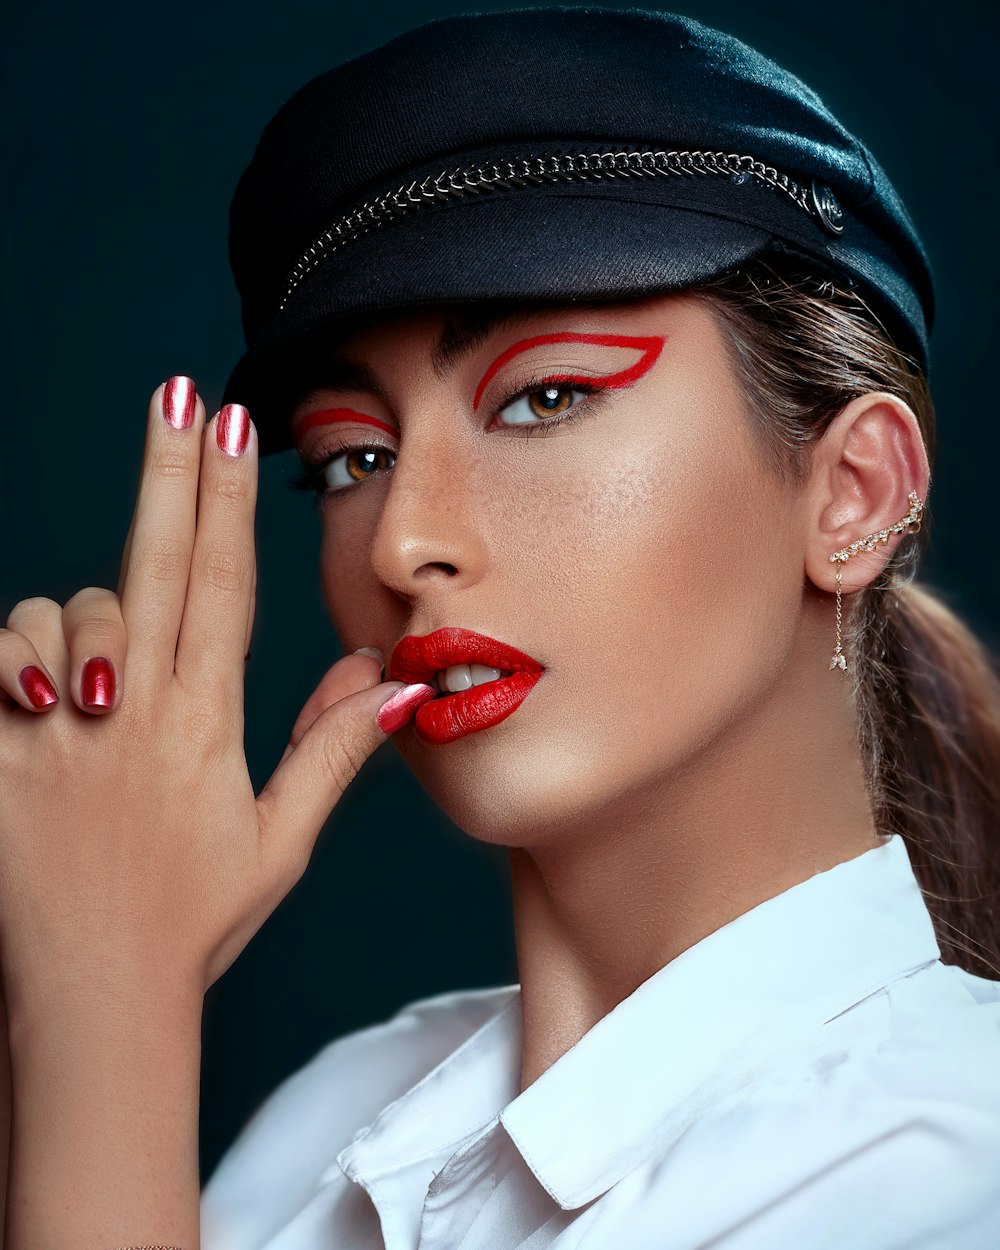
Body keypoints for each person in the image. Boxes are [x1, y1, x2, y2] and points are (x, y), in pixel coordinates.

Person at [0, 6, 998, 1247]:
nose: (402, 540)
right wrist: (67, 956)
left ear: (852, 491)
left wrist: (104, 1014)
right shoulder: (332, 1114)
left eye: (546, 398)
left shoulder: (948, 1151)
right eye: (352, 455)